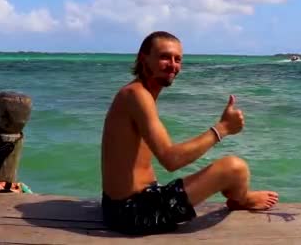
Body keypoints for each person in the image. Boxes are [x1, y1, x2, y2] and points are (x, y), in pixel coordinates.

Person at [101, 31, 278, 235]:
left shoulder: (138, 93)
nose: (173, 65)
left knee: (236, 173)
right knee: (235, 168)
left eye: (178, 59)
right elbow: (170, 160)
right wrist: (222, 129)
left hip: (122, 206)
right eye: (164, 57)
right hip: (133, 213)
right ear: (143, 59)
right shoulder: (136, 95)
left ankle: (240, 197)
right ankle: (242, 199)